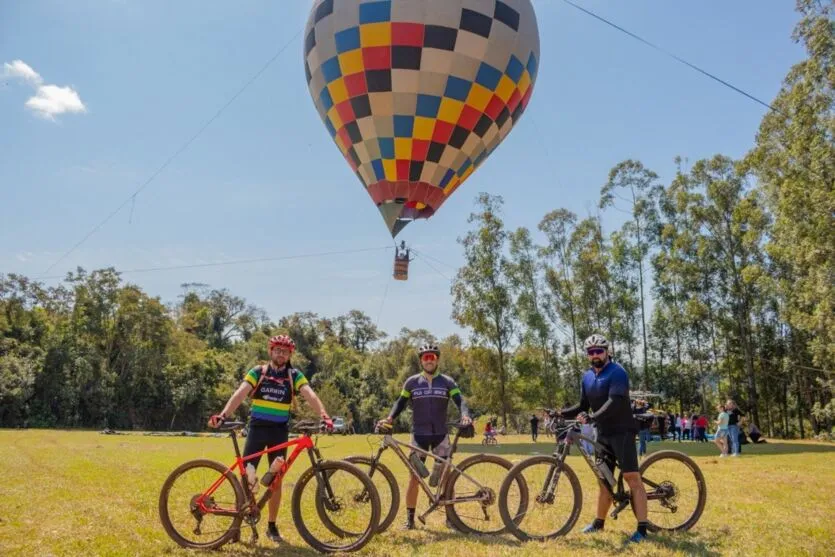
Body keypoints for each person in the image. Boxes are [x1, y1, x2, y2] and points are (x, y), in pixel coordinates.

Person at [208, 335, 333, 544]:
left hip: (279, 431)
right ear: (271, 351)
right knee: (246, 477)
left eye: (285, 351)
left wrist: (323, 414)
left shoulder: (294, 375)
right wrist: (224, 414)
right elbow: (240, 394)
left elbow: (309, 394)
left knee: (276, 481)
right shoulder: (258, 372)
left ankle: (272, 526)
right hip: (257, 429)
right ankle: (237, 524)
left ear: (290, 354)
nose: (281, 354)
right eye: (277, 350)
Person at [559, 334, 649, 544]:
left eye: (599, 350)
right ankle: (599, 523)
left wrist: (593, 417)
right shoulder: (587, 377)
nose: (595, 355)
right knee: (604, 481)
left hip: (622, 431)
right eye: (591, 352)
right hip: (603, 434)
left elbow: (615, 402)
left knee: (632, 479)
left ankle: (642, 530)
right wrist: (559, 413)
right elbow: (582, 405)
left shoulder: (617, 372)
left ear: (607, 351)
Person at [378, 344, 472, 530]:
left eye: (432, 357)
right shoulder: (412, 382)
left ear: (437, 359)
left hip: (440, 434)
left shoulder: (447, 381)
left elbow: (461, 401)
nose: (429, 360)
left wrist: (465, 414)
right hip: (419, 435)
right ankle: (410, 520)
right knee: (414, 477)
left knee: (446, 477)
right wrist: (390, 417)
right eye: (425, 357)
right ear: (421, 360)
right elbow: (400, 402)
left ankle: (450, 518)